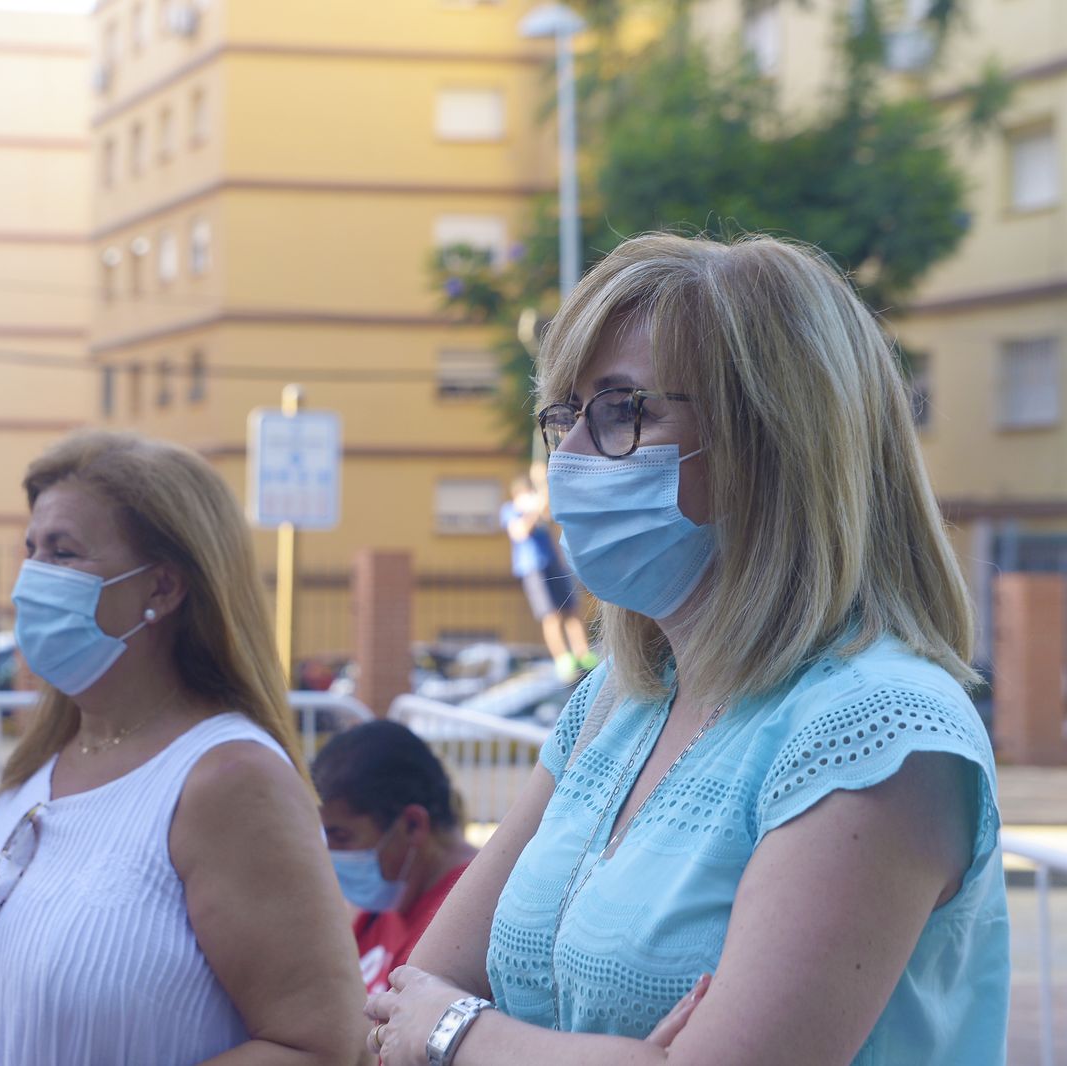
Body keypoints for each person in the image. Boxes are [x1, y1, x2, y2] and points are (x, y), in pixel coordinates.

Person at [364, 232, 1009, 1066]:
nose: (568, 456)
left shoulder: (882, 728)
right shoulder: (618, 700)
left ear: (774, 438)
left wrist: (460, 1035)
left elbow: (435, 1019)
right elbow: (398, 1010)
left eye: (622, 410)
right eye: (563, 415)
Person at [0, 430, 366, 1066]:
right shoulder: (43, 762)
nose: (31, 580)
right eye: (31, 551)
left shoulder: (230, 779)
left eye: (63, 553)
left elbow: (323, 1045)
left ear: (162, 589)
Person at [313, 719, 480, 995]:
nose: (329, 855)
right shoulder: (389, 899)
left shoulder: (469, 916)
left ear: (412, 825)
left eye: (341, 837)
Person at [500, 464, 595, 681]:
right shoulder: (510, 511)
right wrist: (532, 509)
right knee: (550, 615)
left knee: (571, 609)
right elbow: (520, 532)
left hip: (553, 564)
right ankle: (562, 658)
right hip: (532, 568)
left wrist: (543, 484)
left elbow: (552, 522)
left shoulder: (539, 510)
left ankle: (583, 653)